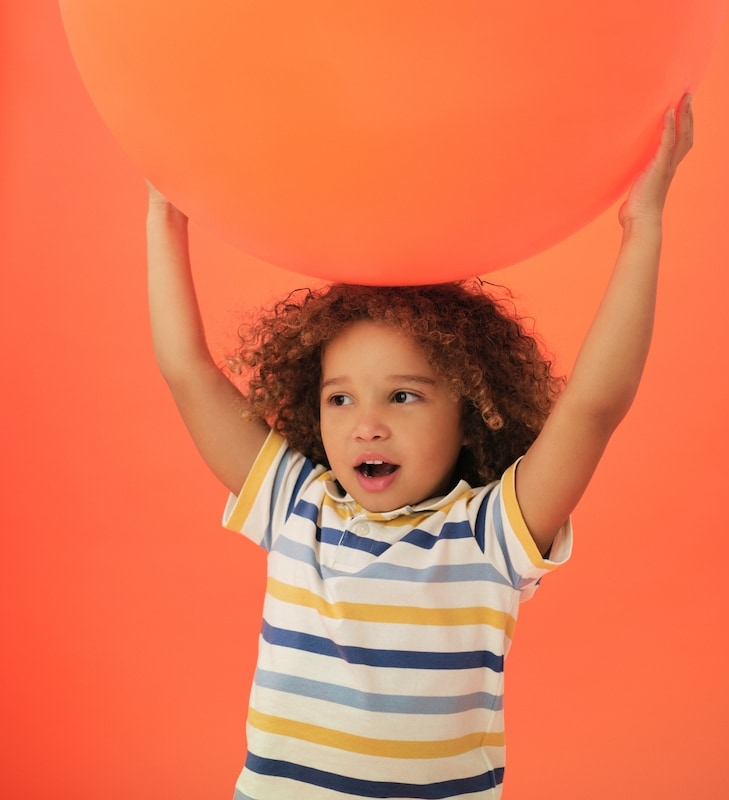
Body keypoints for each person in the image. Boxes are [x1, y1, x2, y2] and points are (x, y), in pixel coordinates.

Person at [146, 95, 694, 800]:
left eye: (402, 396)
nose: (365, 425)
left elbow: (592, 408)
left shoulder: (490, 535)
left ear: (469, 415)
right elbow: (187, 373)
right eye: (339, 398)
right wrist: (166, 212)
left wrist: (641, 224)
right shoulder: (297, 507)